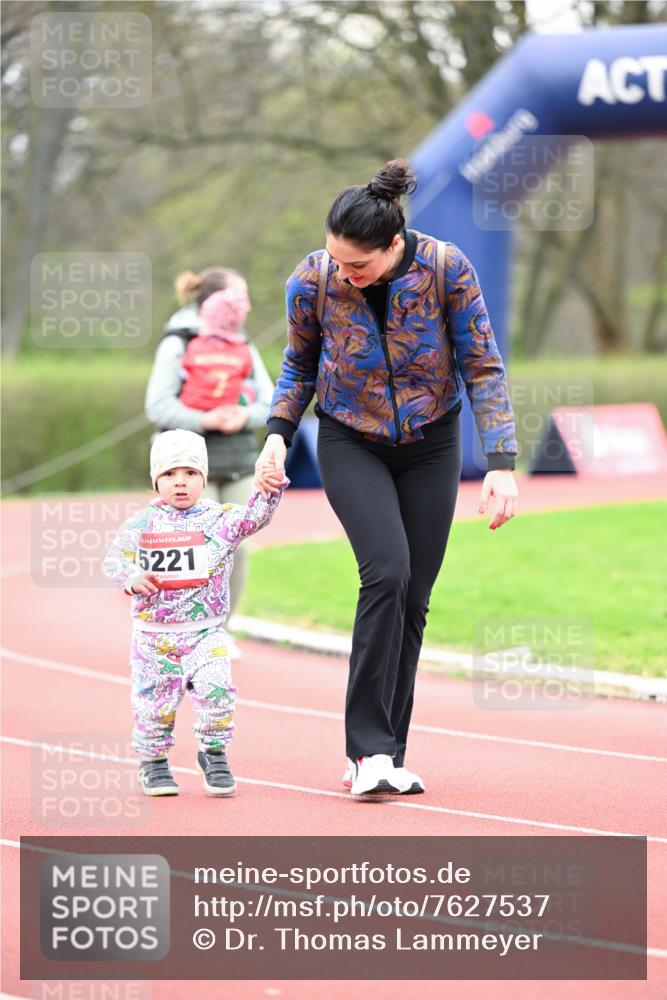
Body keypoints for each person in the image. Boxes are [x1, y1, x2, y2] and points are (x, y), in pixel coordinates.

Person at [255, 159, 518, 799]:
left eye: (359, 266)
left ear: (394, 245)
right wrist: (276, 438)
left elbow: (482, 364)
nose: (345, 274)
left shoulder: (446, 268)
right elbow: (298, 366)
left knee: (415, 599)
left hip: (433, 442)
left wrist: (503, 464)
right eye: (336, 260)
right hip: (350, 436)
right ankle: (368, 748)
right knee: (387, 573)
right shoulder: (311, 280)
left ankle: (386, 755)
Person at [103, 429, 287, 797]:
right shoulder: (141, 524)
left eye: (190, 473)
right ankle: (153, 762)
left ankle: (214, 753)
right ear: (156, 479)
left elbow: (256, 517)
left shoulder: (221, 519)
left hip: (206, 631)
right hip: (154, 636)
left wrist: (269, 487)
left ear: (204, 477)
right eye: (169, 475)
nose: (180, 483)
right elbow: (114, 562)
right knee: (154, 704)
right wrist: (132, 577)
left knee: (218, 691)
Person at [145, 267, 274, 656]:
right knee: (186, 547)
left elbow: (269, 401)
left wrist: (243, 416)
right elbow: (158, 405)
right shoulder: (178, 342)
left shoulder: (242, 344)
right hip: (184, 463)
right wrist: (205, 420)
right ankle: (176, 631)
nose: (246, 306)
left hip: (235, 457)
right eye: (239, 296)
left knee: (236, 545)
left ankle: (220, 632)